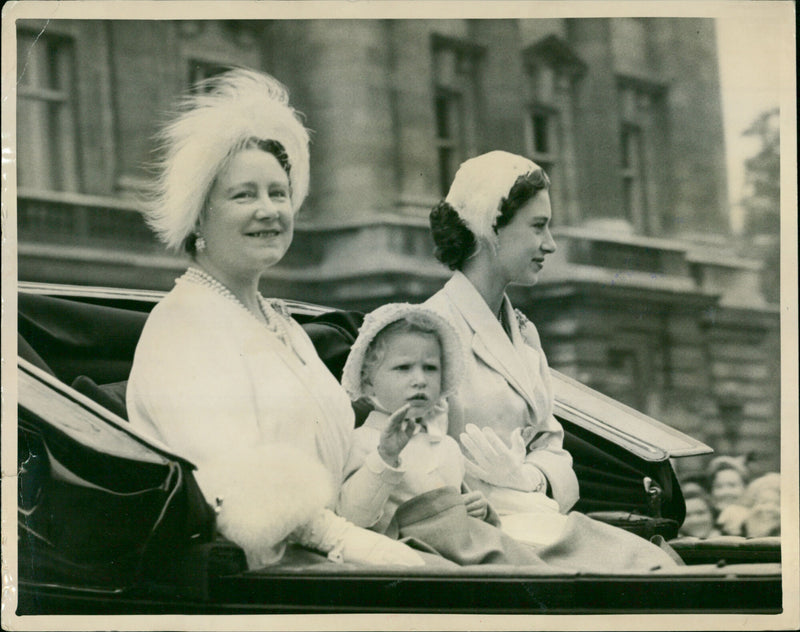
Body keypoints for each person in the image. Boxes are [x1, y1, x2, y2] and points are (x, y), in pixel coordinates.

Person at [126, 69, 423, 569]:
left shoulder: (282, 326)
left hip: (331, 568)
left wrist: (386, 461)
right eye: (244, 196)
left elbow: (344, 496)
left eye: (278, 193)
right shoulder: (181, 329)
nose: (269, 211)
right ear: (199, 216)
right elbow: (243, 499)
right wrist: (372, 553)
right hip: (264, 585)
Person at [424, 151, 681, 571]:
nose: (551, 244)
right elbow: (425, 472)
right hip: (477, 545)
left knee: (659, 562)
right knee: (647, 568)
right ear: (493, 227)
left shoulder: (523, 332)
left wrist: (526, 478)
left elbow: (552, 445)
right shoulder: (430, 330)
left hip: (535, 522)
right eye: (538, 226)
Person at [706, 456, 750, 535]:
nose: (725, 492)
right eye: (718, 486)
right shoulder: (704, 520)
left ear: (745, 487)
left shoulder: (753, 519)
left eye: (732, 485)